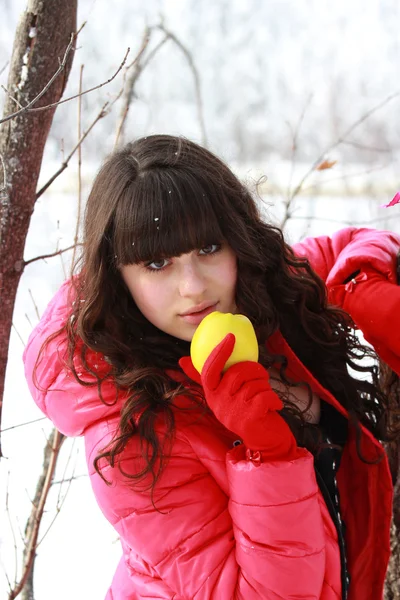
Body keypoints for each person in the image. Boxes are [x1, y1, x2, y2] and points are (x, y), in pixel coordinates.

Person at [24, 134, 400, 600]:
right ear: (119, 276)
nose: (193, 286)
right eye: (157, 262)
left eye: (207, 248)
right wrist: (267, 455)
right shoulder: (131, 439)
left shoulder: (262, 295)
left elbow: (357, 242)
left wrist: (364, 291)